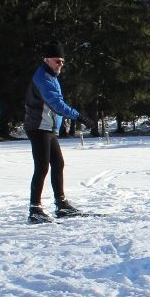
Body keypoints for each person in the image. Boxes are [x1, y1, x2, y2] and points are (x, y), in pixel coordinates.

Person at [23, 42, 94, 223]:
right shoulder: (43, 78)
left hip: (47, 127)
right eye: (57, 61)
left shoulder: (51, 76)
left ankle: (61, 205)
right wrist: (79, 116)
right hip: (39, 127)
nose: (60, 64)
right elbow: (56, 104)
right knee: (42, 167)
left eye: (62, 61)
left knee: (58, 163)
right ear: (46, 60)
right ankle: (35, 209)